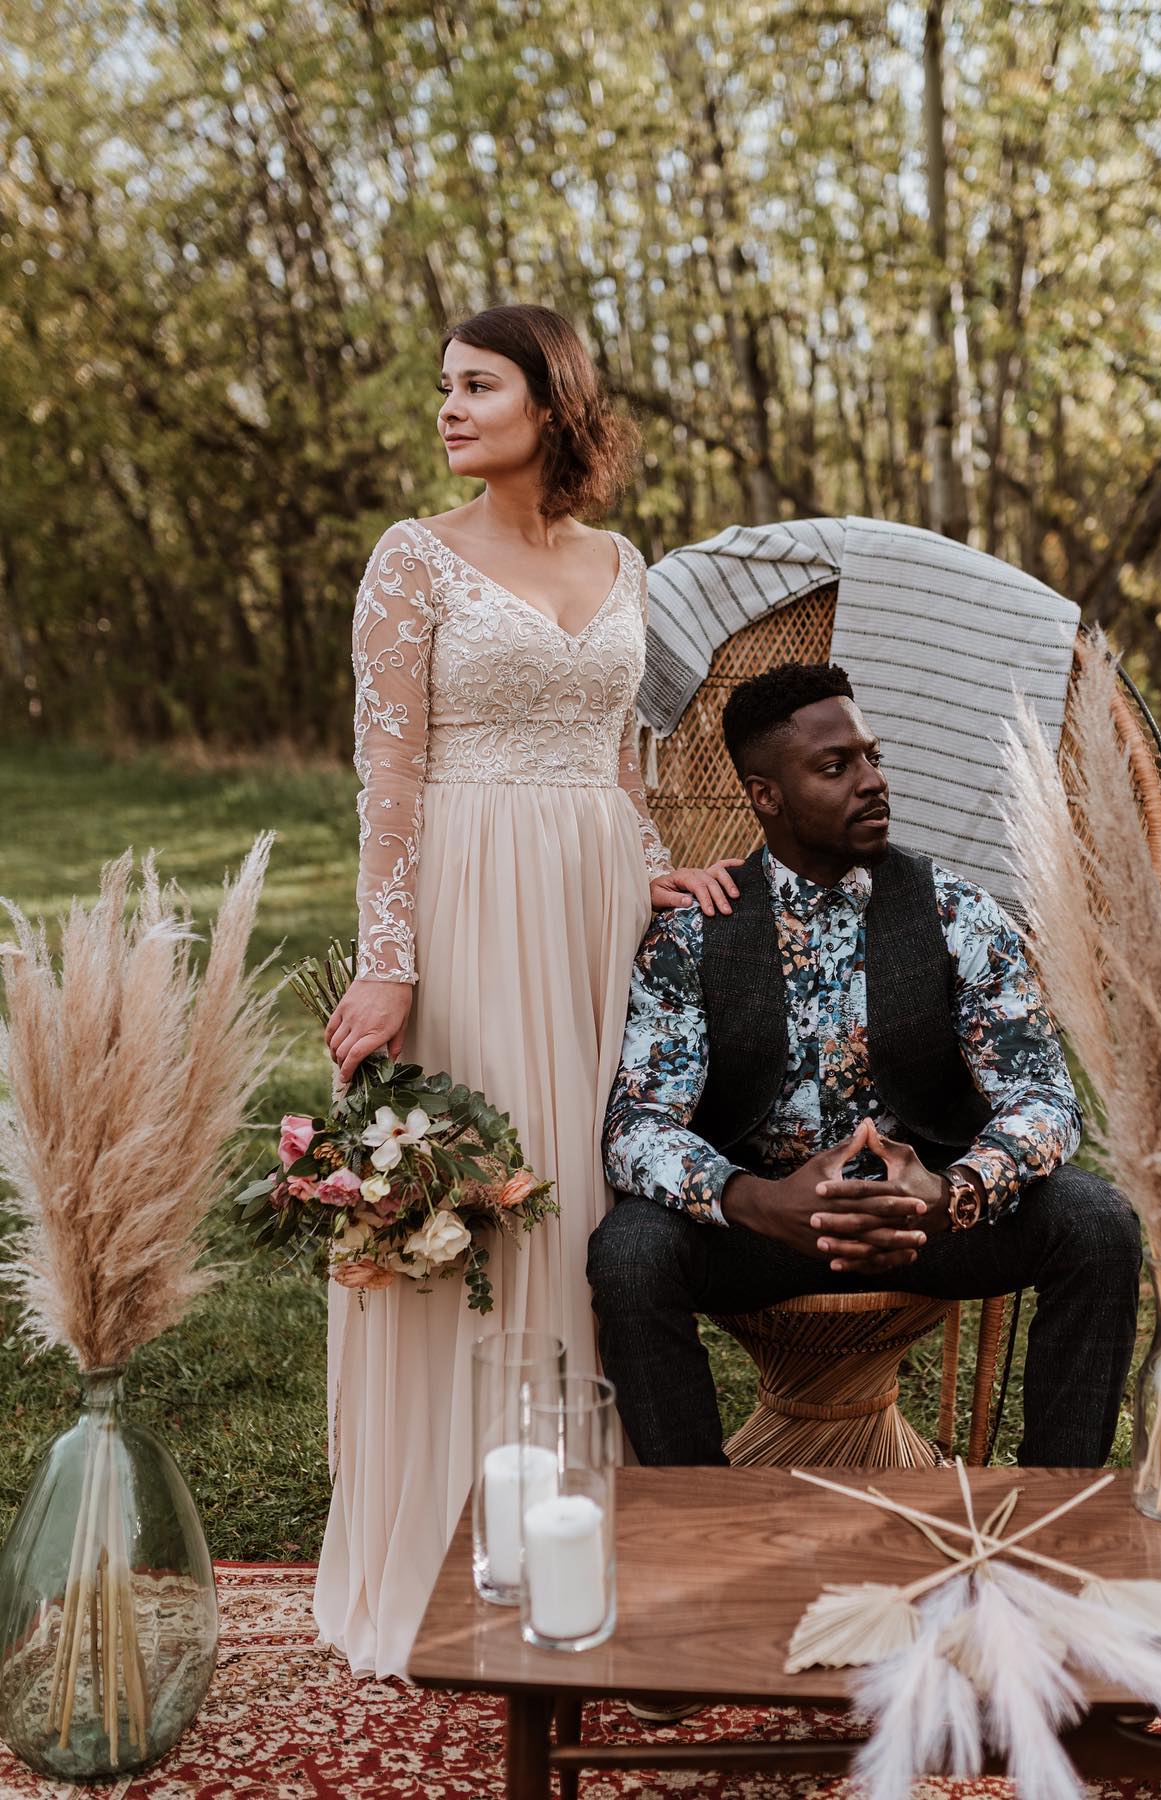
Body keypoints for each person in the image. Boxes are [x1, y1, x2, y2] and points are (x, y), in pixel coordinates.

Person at [315, 303, 738, 1677]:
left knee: (584, 1199)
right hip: (469, 887)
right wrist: (389, 961)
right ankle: (436, 1554)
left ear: (552, 404)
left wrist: (655, 870)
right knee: (482, 1197)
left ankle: (562, 1530)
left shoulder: (629, 562)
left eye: (477, 386)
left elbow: (624, 756)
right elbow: (386, 778)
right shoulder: (411, 563)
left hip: (596, 900)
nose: (448, 408)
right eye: (443, 386)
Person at [590, 661, 1140, 1468]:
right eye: (835, 766)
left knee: (1099, 1222)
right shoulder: (694, 934)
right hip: (765, 1224)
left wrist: (955, 1191)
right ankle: (694, 1522)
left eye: (872, 757)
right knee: (629, 1252)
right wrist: (755, 1200)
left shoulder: (959, 911)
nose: (873, 782)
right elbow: (635, 1123)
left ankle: (1057, 1513)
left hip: (927, 1218)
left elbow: (1045, 1097)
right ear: (765, 794)